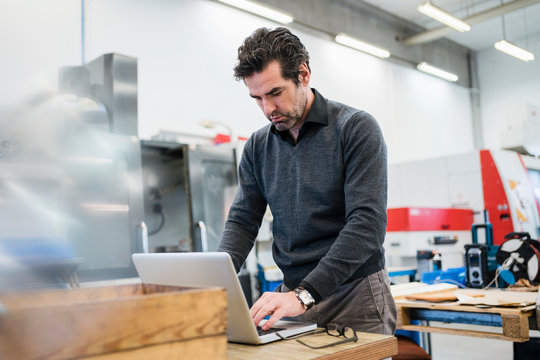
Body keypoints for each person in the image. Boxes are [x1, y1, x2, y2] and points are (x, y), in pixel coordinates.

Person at [217, 27, 396, 335]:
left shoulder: (355, 129)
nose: (268, 109)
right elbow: (243, 222)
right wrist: (216, 282)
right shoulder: (258, 148)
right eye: (257, 98)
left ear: (303, 74)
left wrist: (305, 294)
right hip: (293, 298)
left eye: (275, 93)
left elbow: (366, 225)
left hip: (354, 296)